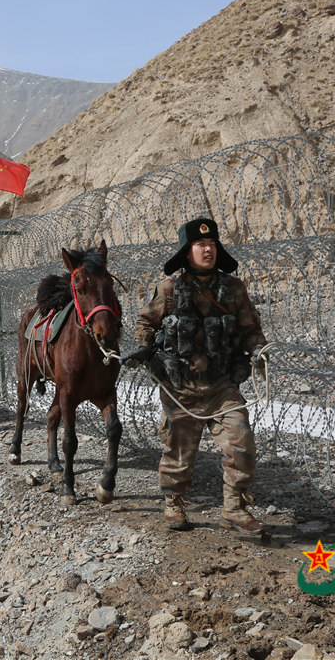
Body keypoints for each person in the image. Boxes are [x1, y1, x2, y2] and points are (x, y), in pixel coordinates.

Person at [123, 218, 268, 534]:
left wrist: (258, 350)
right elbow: (146, 324)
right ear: (186, 252)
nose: (208, 250)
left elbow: (250, 330)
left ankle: (235, 509)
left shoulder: (233, 290)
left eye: (213, 244)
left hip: (221, 384)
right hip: (181, 387)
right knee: (178, 451)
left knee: (241, 440)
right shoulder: (169, 289)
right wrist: (141, 349)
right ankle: (174, 502)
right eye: (201, 245)